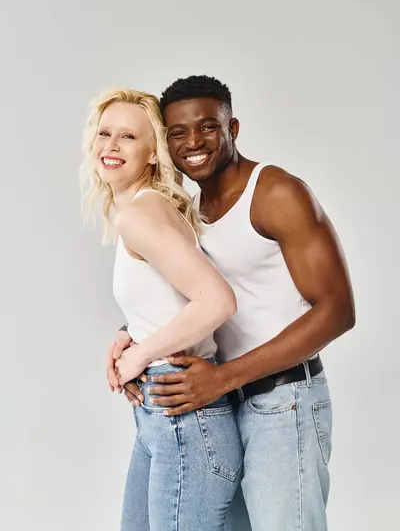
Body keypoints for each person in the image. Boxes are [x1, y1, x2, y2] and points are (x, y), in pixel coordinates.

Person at [123, 76, 356, 531]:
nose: (194, 142)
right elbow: (187, 294)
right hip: (221, 406)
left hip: (283, 403)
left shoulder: (275, 192)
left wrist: (223, 378)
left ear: (233, 127)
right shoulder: (189, 207)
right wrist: (127, 338)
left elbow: (336, 310)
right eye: (177, 132)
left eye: (209, 127)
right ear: (164, 143)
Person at [81, 87, 243, 531]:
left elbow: (217, 300)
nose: (111, 146)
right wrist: (129, 332)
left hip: (183, 416)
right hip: (164, 415)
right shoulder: (140, 207)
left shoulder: (140, 214)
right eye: (105, 133)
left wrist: (139, 354)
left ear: (154, 152)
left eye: (129, 137)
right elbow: (172, 299)